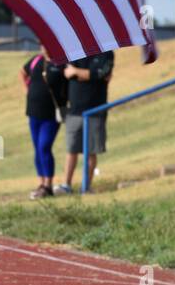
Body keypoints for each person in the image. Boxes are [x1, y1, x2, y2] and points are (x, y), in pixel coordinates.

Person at [55, 49, 114, 194]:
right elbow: (67, 72)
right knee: (71, 150)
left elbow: (100, 73)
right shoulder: (75, 51)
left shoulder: (106, 53)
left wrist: (78, 73)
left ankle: (86, 187)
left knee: (91, 152)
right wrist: (86, 74)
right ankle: (66, 185)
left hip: (95, 111)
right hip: (74, 110)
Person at [22, 46, 68, 199]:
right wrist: (27, 89)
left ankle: (48, 185)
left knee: (44, 146)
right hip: (33, 113)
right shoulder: (36, 60)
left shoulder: (61, 63)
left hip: (52, 115)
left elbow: (67, 86)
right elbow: (23, 72)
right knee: (37, 148)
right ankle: (41, 183)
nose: (45, 48)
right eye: (42, 45)